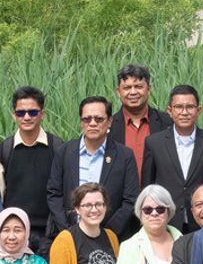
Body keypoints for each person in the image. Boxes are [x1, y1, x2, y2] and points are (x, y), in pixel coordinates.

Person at [46, 97, 142, 239]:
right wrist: (68, 231)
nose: (92, 124)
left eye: (99, 119)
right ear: (81, 122)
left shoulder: (124, 155)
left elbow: (130, 200)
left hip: (111, 236)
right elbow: (54, 194)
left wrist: (106, 234)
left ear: (109, 121)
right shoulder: (65, 152)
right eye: (87, 119)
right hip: (70, 234)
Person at [142, 85, 203, 235]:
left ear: (198, 110)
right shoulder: (154, 143)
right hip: (167, 222)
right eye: (179, 107)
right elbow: (148, 186)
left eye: (190, 107)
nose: (184, 112)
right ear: (170, 111)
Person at [0, 85, 61, 252]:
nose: (27, 117)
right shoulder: (3, 151)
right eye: (21, 113)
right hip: (15, 236)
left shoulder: (58, 148)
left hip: (50, 235)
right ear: (13, 115)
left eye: (33, 112)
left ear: (42, 114)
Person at [109, 63, 173, 171]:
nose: (133, 92)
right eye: (127, 88)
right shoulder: (108, 126)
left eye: (138, 86)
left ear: (148, 89)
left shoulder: (168, 123)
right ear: (118, 92)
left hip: (158, 187)